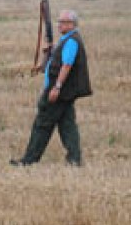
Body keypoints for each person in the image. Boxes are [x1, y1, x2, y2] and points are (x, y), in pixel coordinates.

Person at [10, 10, 92, 167]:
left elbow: (67, 65)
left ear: (71, 24)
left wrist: (57, 87)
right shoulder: (67, 40)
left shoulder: (71, 41)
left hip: (59, 91)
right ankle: (74, 159)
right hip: (65, 92)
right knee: (67, 126)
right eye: (59, 21)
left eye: (62, 22)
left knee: (42, 124)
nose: (59, 24)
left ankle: (29, 160)